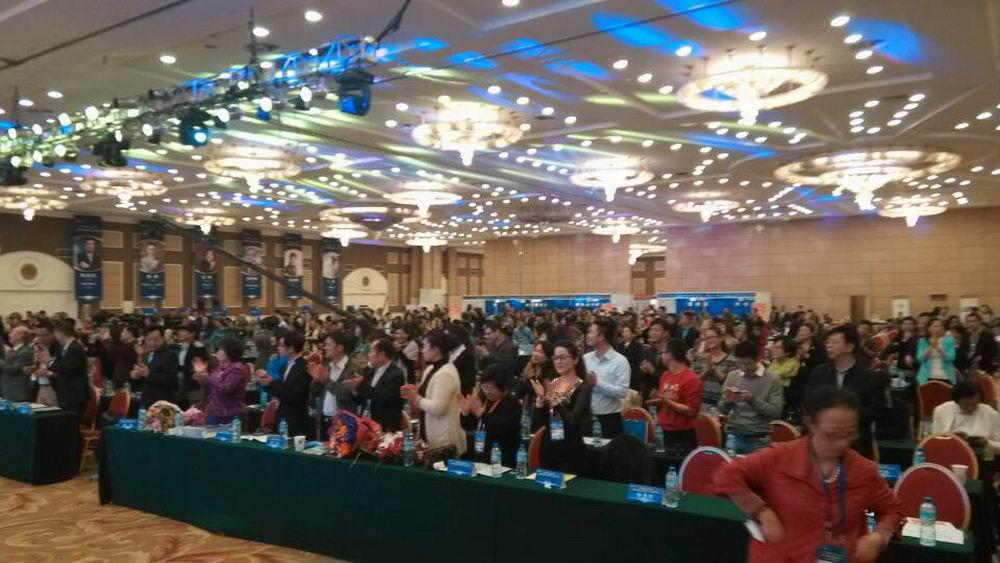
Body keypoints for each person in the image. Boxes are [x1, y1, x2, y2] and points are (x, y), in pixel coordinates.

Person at [713, 387, 903, 563]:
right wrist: (761, 511)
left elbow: (892, 509)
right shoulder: (779, 457)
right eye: (832, 435)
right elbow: (726, 475)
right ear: (811, 424)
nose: (842, 443)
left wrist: (880, 536)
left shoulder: (863, 470)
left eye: (849, 435)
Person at [808, 325, 885, 459]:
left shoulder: (869, 377)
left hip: (856, 443)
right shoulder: (819, 373)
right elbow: (809, 402)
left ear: (849, 347)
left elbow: (877, 411)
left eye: (834, 342)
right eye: (827, 342)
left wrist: (843, 417)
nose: (829, 346)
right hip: (823, 442)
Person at [530, 340, 592, 475]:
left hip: (570, 448)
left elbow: (573, 421)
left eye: (563, 357)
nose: (558, 361)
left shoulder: (583, 386)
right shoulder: (553, 384)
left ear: (575, 359)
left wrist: (556, 403)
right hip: (548, 446)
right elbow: (538, 423)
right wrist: (540, 401)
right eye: (555, 358)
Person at [400, 330, 466, 455]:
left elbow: (438, 408)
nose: (422, 350)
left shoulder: (446, 373)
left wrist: (416, 398)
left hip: (444, 437)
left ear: (435, 350)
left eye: (425, 346)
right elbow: (425, 398)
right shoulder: (430, 368)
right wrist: (413, 393)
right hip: (428, 430)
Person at [719, 341, 784, 455]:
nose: (744, 368)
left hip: (759, 438)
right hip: (734, 434)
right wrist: (727, 402)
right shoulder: (732, 376)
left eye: (748, 364)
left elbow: (775, 412)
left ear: (758, 359)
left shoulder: (772, 379)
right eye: (740, 363)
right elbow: (722, 408)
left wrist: (752, 400)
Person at [648, 338, 702, 457]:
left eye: (663, 352)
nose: (661, 355)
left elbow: (692, 410)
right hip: (664, 429)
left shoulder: (691, 378)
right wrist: (658, 401)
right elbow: (665, 400)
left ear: (670, 355)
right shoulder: (665, 375)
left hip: (682, 433)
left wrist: (667, 401)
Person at [462, 364, 521, 467]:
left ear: (502, 386)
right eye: (484, 387)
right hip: (479, 455)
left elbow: (503, 429)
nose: (487, 392)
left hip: (502, 457)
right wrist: (465, 414)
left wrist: (481, 413)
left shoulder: (512, 402)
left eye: (491, 388)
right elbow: (468, 427)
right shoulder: (482, 399)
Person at [257, 332, 314, 439]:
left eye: (282, 346)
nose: (278, 348)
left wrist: (272, 382)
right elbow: (280, 391)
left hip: (296, 417)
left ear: (291, 348)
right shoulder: (284, 365)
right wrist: (267, 383)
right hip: (282, 414)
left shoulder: (304, 368)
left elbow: (294, 395)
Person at [583, 319, 630, 438]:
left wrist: (597, 383)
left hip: (609, 421)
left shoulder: (620, 361)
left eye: (591, 332)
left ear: (601, 337)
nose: (587, 335)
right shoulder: (585, 359)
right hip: (586, 418)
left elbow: (622, 392)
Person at [310, 331, 362, 438]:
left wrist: (326, 380)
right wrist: (316, 381)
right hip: (324, 419)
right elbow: (314, 394)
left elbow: (345, 395)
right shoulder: (326, 365)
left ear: (340, 347)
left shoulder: (353, 369)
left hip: (344, 423)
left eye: (329, 345)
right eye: (325, 344)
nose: (325, 348)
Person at [34, 321, 89, 414]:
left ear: (61, 333)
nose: (55, 337)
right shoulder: (65, 348)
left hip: (74, 394)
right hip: (65, 393)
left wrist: (49, 361)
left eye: (55, 334)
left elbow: (66, 368)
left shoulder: (75, 348)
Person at [191, 336, 247, 425]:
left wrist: (208, 378)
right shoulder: (220, 367)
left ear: (229, 351)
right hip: (216, 411)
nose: (218, 352)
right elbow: (212, 386)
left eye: (221, 349)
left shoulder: (237, 368)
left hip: (230, 413)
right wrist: (201, 379)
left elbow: (226, 388)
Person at [932, 380, 1000, 451]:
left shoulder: (990, 413)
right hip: (948, 451)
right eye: (966, 405)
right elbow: (934, 440)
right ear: (957, 401)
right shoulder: (941, 410)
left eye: (974, 404)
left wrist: (987, 442)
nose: (971, 408)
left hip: (981, 454)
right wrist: (951, 437)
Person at [354, 336, 405, 431]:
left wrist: (360, 385)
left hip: (385, 425)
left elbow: (382, 398)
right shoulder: (370, 370)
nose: (368, 355)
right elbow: (363, 397)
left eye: (371, 351)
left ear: (382, 354)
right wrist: (353, 386)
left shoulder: (396, 374)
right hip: (366, 420)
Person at [130, 326, 180, 408]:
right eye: (149, 340)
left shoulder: (170, 355)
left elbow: (172, 380)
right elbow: (143, 378)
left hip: (162, 402)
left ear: (163, 338)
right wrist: (136, 376)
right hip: (146, 400)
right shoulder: (146, 353)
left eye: (156, 340)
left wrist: (148, 374)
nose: (152, 343)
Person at [690, 327, 736, 410]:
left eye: (712, 337)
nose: (709, 340)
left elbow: (730, 383)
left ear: (720, 338)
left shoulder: (731, 360)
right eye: (707, 338)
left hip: (720, 405)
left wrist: (713, 367)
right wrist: (706, 370)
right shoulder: (700, 358)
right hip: (701, 403)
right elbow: (693, 381)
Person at [175, 323, 209, 409]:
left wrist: (178, 367)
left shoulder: (198, 348)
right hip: (178, 384)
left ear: (192, 333)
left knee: (194, 410)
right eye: (180, 331)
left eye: (183, 331)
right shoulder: (178, 347)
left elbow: (198, 368)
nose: (180, 333)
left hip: (193, 385)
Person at [916, 318, 957, 384]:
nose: (939, 328)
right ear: (929, 328)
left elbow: (951, 358)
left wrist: (938, 348)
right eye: (935, 326)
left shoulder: (949, 340)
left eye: (940, 326)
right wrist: (931, 346)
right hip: (926, 376)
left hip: (945, 376)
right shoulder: (923, 341)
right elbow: (920, 358)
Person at [638, 318, 669, 401]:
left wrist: (653, 371)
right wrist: (643, 371)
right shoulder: (647, 351)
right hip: (650, 395)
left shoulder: (672, 351)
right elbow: (643, 378)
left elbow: (675, 374)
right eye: (651, 330)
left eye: (657, 330)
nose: (653, 333)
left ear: (665, 333)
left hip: (667, 395)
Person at [957, 312, 998, 377]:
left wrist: (982, 356)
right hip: (968, 367)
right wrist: (967, 355)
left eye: (974, 321)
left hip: (984, 368)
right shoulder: (965, 336)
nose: (971, 324)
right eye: (969, 322)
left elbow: (994, 352)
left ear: (979, 322)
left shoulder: (988, 336)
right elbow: (961, 351)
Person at [0, 326, 34, 402]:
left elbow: (12, 368)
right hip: (6, 390)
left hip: (17, 392)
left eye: (12, 333)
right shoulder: (12, 350)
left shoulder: (25, 352)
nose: (9, 335)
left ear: (20, 336)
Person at [446, 323, 477, 395]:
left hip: (461, 394)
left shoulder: (468, 356)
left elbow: (470, 381)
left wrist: (452, 384)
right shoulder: (448, 353)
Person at [617, 324, 644, 394]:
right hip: (621, 372)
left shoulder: (637, 345)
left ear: (632, 333)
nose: (624, 333)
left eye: (627, 331)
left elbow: (639, 359)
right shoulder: (619, 346)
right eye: (623, 332)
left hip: (633, 372)